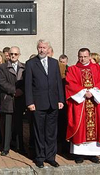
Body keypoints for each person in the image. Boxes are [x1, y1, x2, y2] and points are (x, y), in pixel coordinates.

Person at [65, 48, 100, 164]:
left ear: (89, 56)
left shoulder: (97, 68)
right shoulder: (72, 69)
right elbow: (70, 83)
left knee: (96, 126)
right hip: (80, 103)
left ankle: (93, 154)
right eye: (80, 56)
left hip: (95, 103)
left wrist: (93, 92)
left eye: (85, 56)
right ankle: (79, 154)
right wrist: (83, 92)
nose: (82, 59)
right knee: (79, 125)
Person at [25, 39, 64, 168]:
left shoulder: (54, 63)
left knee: (51, 132)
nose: (42, 49)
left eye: (44, 47)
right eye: (40, 47)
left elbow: (58, 82)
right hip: (38, 103)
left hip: (53, 103)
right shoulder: (31, 63)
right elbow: (28, 85)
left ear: (48, 49)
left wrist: (60, 99)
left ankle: (50, 157)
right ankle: (40, 157)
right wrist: (30, 102)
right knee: (39, 132)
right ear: (37, 48)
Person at [0, 46, 25, 156]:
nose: (13, 56)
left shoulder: (24, 67)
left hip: (20, 100)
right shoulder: (2, 67)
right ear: (8, 55)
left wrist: (21, 91)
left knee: (19, 125)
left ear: (19, 55)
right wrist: (14, 90)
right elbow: (2, 82)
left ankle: (20, 147)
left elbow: (27, 81)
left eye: (16, 54)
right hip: (8, 99)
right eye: (11, 54)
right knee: (7, 126)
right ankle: (5, 148)